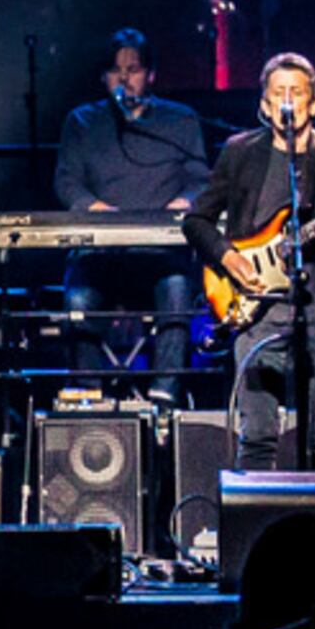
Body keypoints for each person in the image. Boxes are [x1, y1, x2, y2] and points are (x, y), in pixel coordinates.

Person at [176, 53, 315, 471]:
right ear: (265, 103)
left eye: (296, 93)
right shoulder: (239, 152)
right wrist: (229, 257)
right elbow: (196, 220)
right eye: (278, 93)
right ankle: (257, 533)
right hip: (254, 308)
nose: (286, 101)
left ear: (314, 103)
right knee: (256, 437)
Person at [52, 25, 210, 376]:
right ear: (103, 77)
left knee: (177, 290)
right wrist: (97, 211)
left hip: (159, 255)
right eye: (115, 71)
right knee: (77, 302)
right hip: (99, 255)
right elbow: (66, 180)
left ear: (150, 75)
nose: (124, 79)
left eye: (133, 70)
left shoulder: (180, 120)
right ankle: (89, 398)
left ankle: (166, 396)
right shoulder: (81, 121)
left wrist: (182, 203)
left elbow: (201, 180)